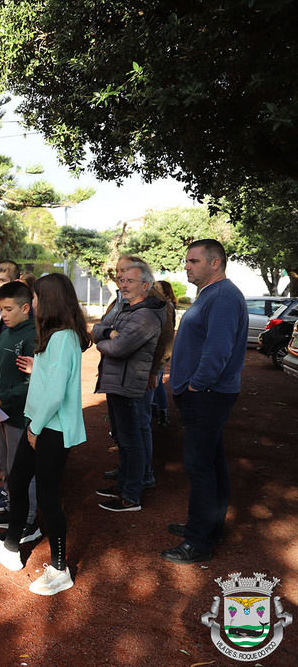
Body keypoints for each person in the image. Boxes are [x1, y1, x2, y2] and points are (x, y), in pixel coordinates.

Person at [0, 273, 90, 596]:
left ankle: (60, 569)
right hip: (40, 424)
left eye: (38, 297)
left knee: (47, 497)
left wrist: (34, 428)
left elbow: (55, 394)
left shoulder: (62, 337)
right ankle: (11, 549)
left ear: (50, 300)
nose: (35, 303)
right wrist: (37, 369)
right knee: (16, 480)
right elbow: (53, 378)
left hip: (48, 429)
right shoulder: (55, 336)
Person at [161, 239, 247, 564]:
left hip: (208, 395)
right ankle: (208, 527)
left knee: (200, 466)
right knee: (212, 462)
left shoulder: (223, 296)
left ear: (215, 263)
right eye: (187, 261)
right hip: (206, 395)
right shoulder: (211, 294)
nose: (187, 266)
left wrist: (196, 385)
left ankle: (197, 542)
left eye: (193, 261)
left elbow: (218, 350)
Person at [92, 260, 165, 513]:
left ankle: (131, 496)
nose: (123, 284)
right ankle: (124, 486)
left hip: (128, 386)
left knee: (132, 442)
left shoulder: (145, 315)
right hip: (116, 383)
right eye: (122, 280)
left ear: (145, 285)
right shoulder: (127, 309)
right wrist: (107, 334)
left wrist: (106, 339)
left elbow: (118, 348)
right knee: (124, 440)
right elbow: (97, 329)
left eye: (130, 280)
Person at [0, 281, 41, 544]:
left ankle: (28, 520)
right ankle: (12, 508)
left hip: (18, 414)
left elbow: (33, 384)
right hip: (1, 412)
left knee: (21, 470)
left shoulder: (32, 336)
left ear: (26, 308)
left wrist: (2, 398)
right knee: (6, 464)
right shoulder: (6, 332)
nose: (3, 315)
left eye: (8, 309)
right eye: (1, 309)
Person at [0, 259, 20, 488]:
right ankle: (6, 486)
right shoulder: (0, 311)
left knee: (15, 447)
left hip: (14, 389)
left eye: (2, 280)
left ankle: (14, 498)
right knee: (3, 442)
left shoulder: (20, 312)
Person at [150, 280, 177, 426]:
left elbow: (166, 331)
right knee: (157, 382)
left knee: (156, 382)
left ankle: (161, 413)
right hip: (161, 350)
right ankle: (159, 412)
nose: (154, 289)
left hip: (161, 350)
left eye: (157, 287)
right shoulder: (164, 305)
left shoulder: (167, 306)